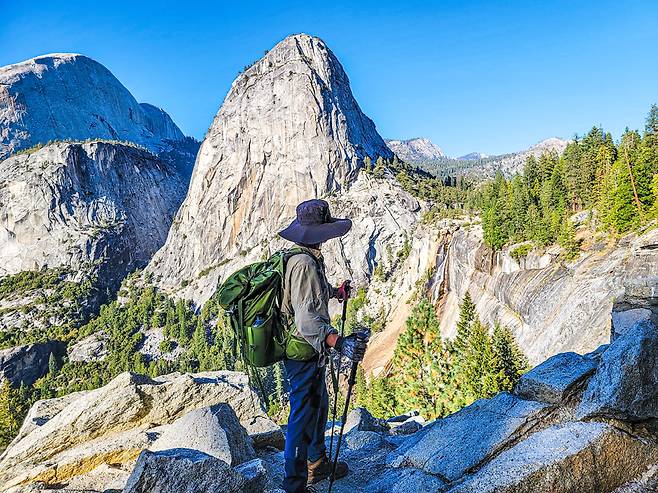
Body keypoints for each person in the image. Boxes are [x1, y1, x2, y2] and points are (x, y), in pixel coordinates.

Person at [278, 199, 369, 493]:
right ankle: (295, 484)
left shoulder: (308, 257)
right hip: (302, 350)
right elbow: (306, 321)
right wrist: (338, 342)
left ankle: (316, 464)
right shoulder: (304, 263)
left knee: (319, 405)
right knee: (302, 414)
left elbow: (308, 296)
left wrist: (334, 292)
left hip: (310, 351)